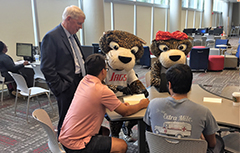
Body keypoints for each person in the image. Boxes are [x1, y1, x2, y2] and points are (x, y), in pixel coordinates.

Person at [59, 54, 150, 153]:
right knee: (122, 145)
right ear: (103, 71)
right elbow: (125, 112)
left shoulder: (84, 82)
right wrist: (142, 104)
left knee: (105, 132)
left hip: (66, 137)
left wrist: (120, 105)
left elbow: (98, 102)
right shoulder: (102, 90)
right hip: (77, 144)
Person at [143, 64, 224, 153]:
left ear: (169, 85)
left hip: (160, 149)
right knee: (219, 142)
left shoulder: (153, 105)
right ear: (190, 85)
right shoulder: (203, 112)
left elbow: (152, 130)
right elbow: (211, 144)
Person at [40, 5, 86, 135]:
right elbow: (46, 67)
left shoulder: (73, 35)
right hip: (66, 86)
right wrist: (59, 88)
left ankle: (75, 140)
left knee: (77, 115)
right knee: (66, 118)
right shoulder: (51, 37)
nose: (81, 27)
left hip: (79, 82)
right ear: (69, 19)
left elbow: (77, 58)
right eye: (79, 23)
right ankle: (63, 141)